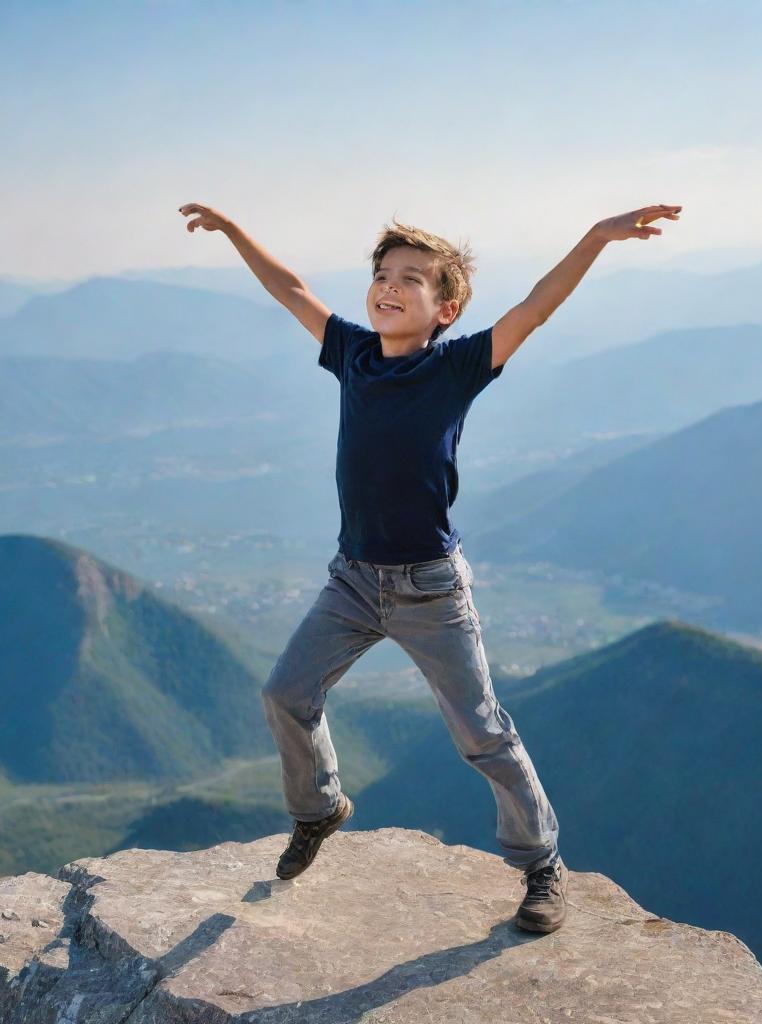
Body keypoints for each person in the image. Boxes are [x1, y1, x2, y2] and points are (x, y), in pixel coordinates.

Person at [177, 201, 682, 934]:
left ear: (444, 309)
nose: (388, 286)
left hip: (430, 590)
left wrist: (595, 239)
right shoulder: (351, 353)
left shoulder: (457, 367)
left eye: (410, 279)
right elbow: (290, 288)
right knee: (285, 694)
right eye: (381, 275)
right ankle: (318, 811)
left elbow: (534, 309)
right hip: (352, 580)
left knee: (482, 733)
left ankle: (542, 864)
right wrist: (233, 232)